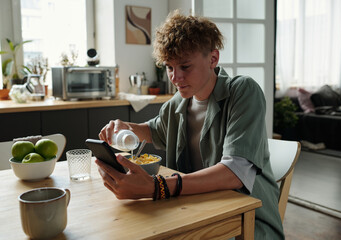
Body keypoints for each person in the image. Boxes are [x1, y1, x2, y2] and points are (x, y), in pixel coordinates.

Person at [96, 10, 284, 239]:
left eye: (185, 67)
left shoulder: (243, 91)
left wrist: (158, 187)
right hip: (198, 214)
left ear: (213, 59)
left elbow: (235, 173)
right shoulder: (177, 104)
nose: (175, 77)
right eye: (169, 67)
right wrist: (126, 127)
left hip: (247, 223)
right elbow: (155, 130)